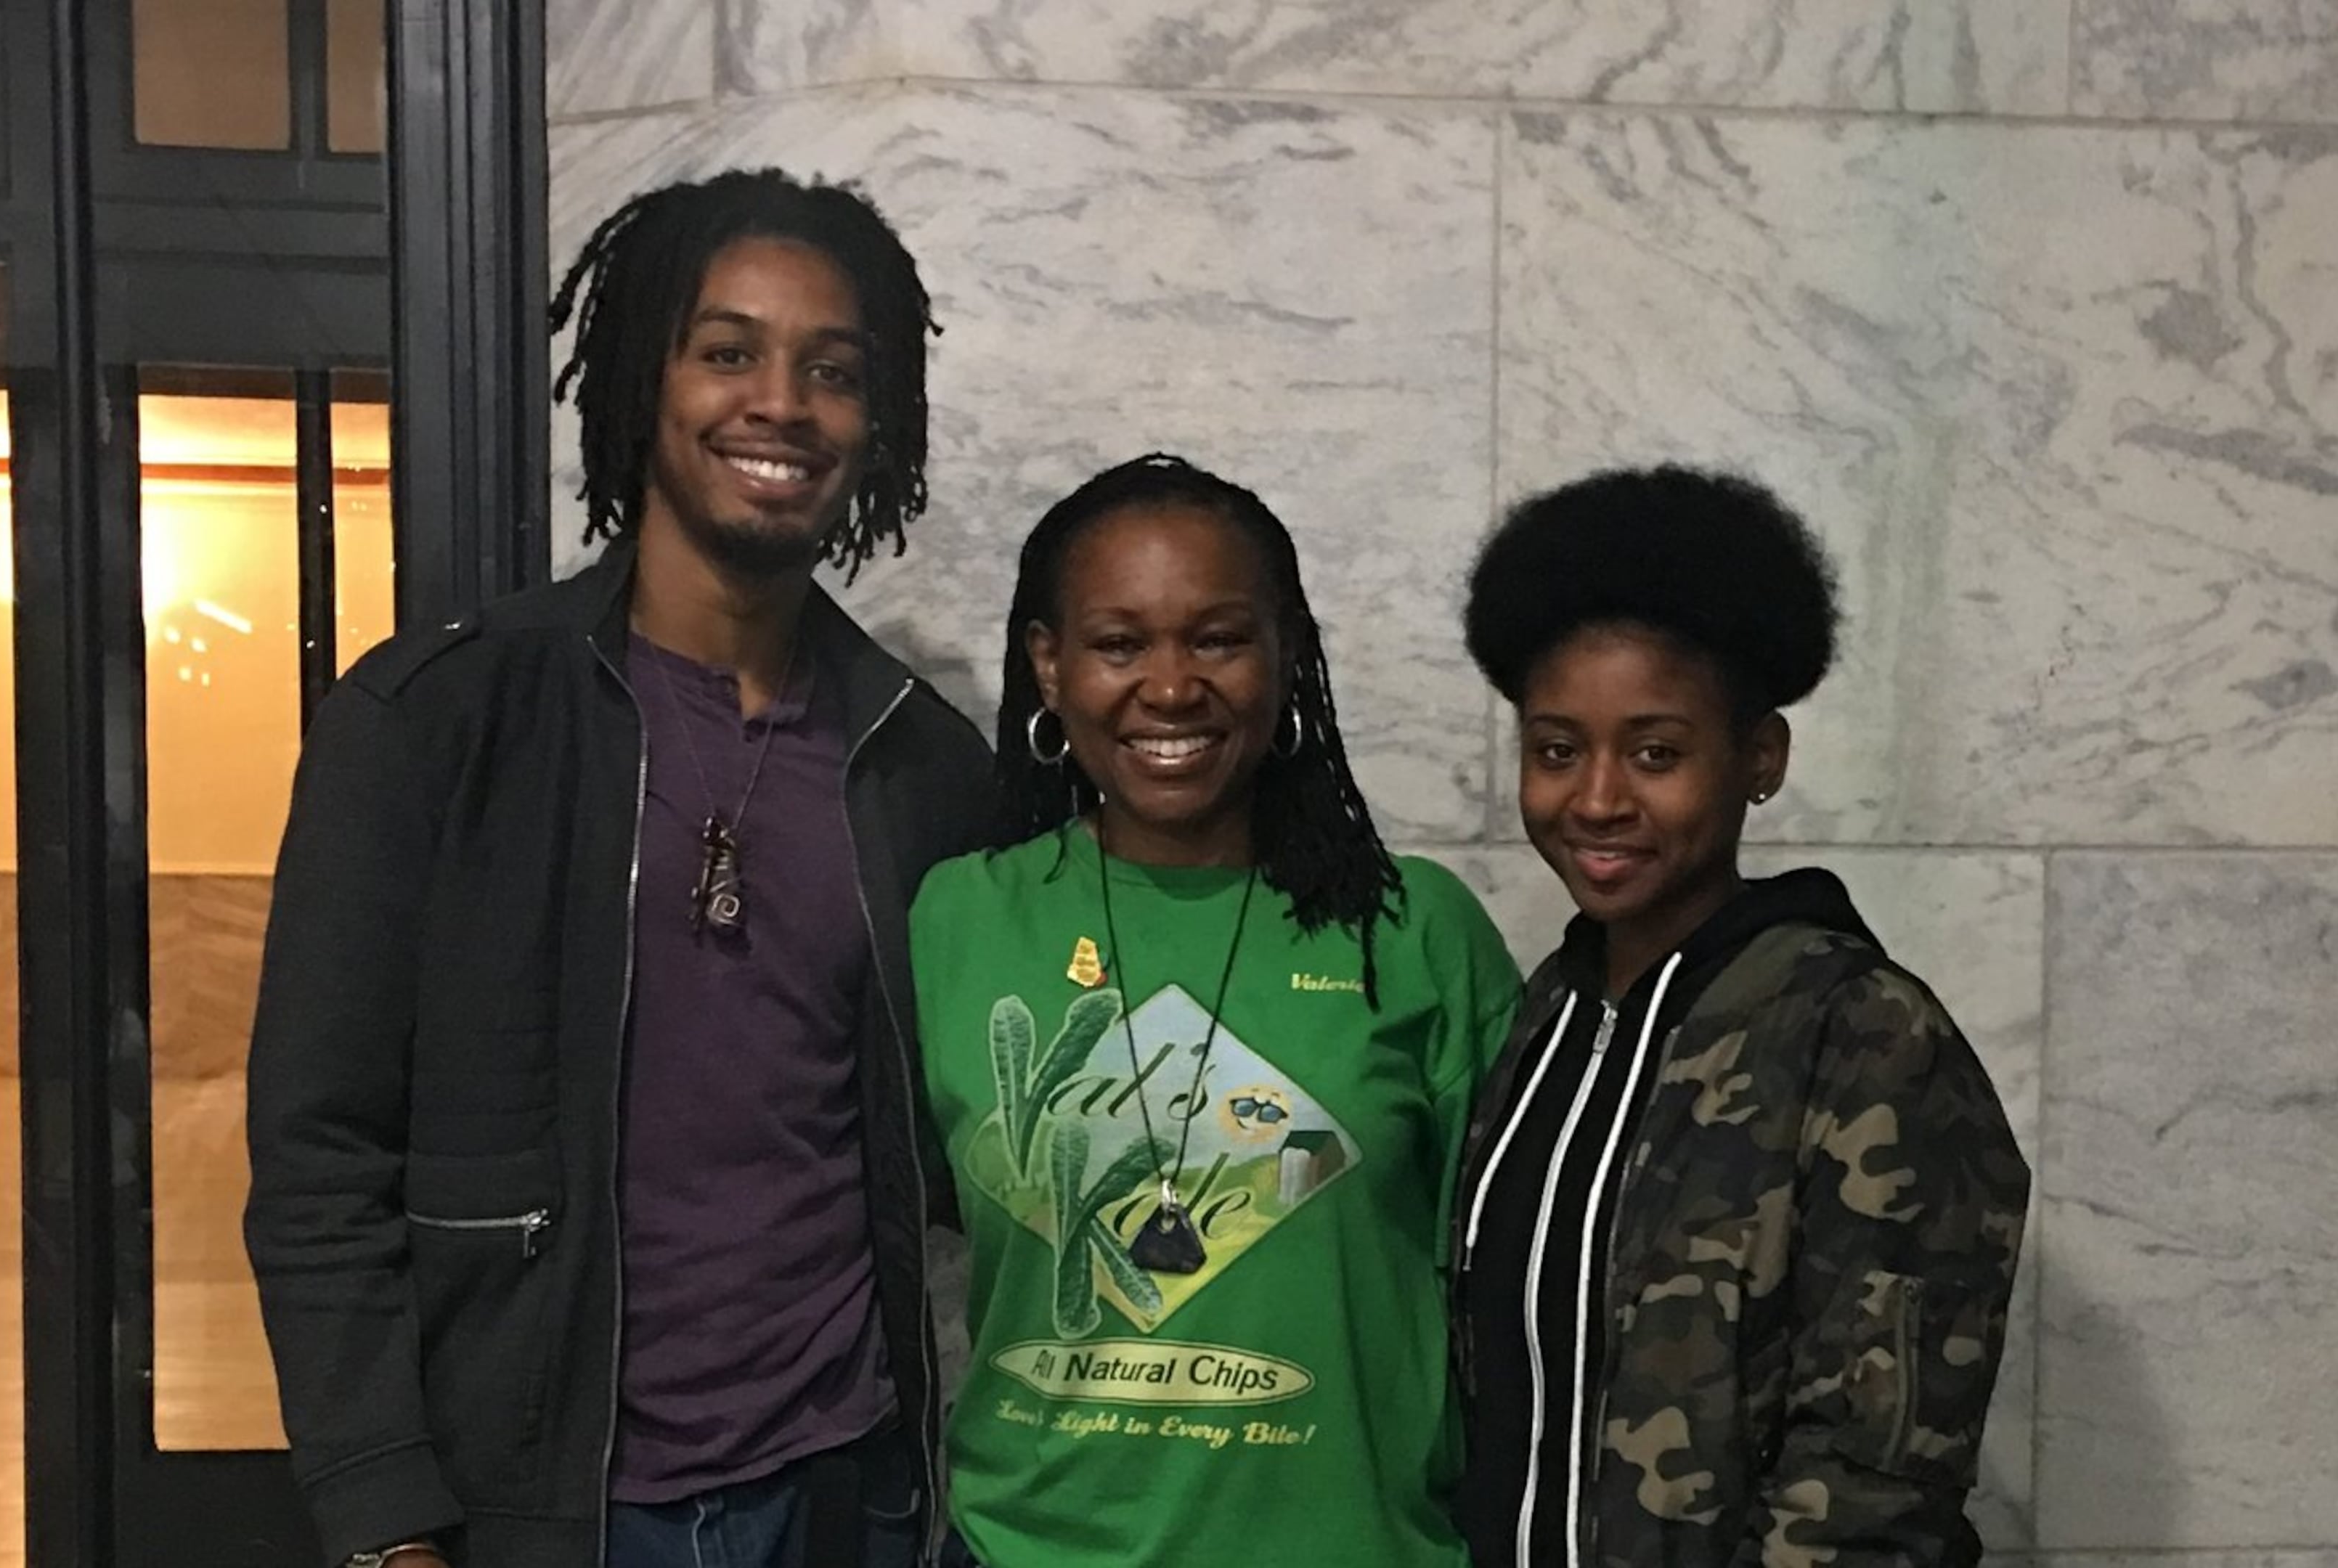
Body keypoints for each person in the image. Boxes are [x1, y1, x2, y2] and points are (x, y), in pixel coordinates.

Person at [243, 168, 995, 1568]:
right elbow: (319, 1158)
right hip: (553, 1511)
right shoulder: (434, 726)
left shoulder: (923, 764)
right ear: (644, 381)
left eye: (831, 370)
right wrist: (380, 1502)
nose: (780, 402)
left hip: (854, 1493)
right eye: (728, 352)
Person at [907, 454, 1523, 1567]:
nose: (1173, 686)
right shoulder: (957, 920)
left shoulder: (1413, 932)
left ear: (1285, 657)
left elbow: (1526, 1305)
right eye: (1119, 643)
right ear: (1048, 666)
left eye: (1219, 638)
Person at [1449, 466, 2029, 1568]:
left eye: (1657, 752)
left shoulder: (1859, 1033)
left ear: (1759, 759)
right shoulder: (1546, 1023)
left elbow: (1879, 1479)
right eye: (1557, 749)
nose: (1600, 798)